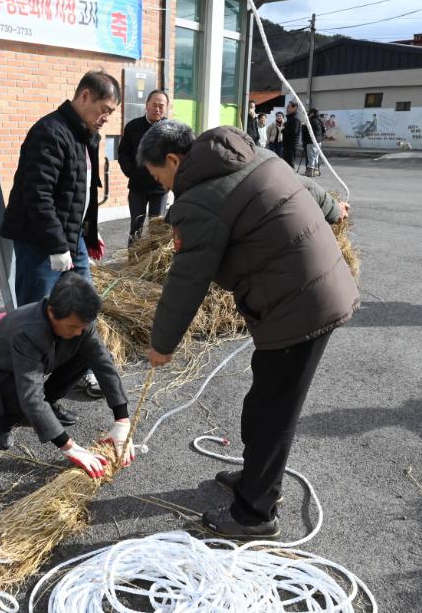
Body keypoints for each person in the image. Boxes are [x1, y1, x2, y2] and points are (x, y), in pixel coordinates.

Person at [136, 121, 359, 538]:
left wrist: (161, 344)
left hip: (298, 306)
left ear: (172, 160)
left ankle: (255, 514)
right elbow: (304, 188)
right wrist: (334, 208)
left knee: (274, 412)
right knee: (263, 401)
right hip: (312, 289)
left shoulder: (200, 200)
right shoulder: (251, 154)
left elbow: (187, 280)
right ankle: (256, 481)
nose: (161, 185)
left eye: (156, 175)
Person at [0, 70, 121, 398]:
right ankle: (23, 387)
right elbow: (38, 194)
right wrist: (56, 245)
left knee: (84, 307)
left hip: (71, 239)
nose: (106, 118)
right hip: (40, 241)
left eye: (111, 113)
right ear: (84, 97)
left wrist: (89, 233)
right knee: (37, 311)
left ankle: (81, 371)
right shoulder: (50, 132)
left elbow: (83, 191)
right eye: (104, 109)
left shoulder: (86, 135)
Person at [0, 273, 134, 477]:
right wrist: (70, 447)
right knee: (20, 395)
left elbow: (103, 362)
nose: (80, 332)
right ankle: (4, 421)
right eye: (73, 327)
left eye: (83, 327)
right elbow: (31, 395)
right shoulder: (27, 333)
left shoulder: (79, 320)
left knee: (85, 354)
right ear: (52, 312)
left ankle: (50, 403)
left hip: (35, 363)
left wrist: (122, 420)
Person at [118, 90, 169, 245]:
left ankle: (152, 265)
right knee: (136, 227)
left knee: (157, 230)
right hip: (137, 187)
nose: (157, 109)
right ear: (146, 105)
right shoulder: (133, 126)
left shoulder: (171, 129)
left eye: (161, 106)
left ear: (166, 108)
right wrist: (131, 173)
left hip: (160, 188)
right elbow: (123, 153)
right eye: (154, 105)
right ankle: (133, 263)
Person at [281, 101, 303, 172]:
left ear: (294, 108)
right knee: (286, 163)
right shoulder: (291, 118)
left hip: (291, 145)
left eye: (288, 107)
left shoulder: (295, 119)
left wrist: (283, 130)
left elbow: (293, 132)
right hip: (288, 145)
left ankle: (293, 179)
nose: (287, 108)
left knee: (290, 163)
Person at [304, 108, 325, 177]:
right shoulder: (320, 120)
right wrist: (321, 138)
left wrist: (304, 126)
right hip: (319, 141)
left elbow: (307, 131)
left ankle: (310, 172)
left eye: (309, 113)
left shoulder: (311, 120)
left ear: (312, 113)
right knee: (316, 157)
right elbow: (324, 130)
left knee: (311, 157)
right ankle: (316, 171)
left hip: (311, 141)